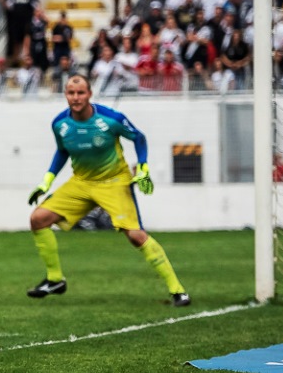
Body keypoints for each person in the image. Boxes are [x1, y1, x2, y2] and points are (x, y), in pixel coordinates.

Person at [26, 75, 191, 307]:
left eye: (80, 92)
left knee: (136, 235)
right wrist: (46, 181)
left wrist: (142, 168)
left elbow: (139, 137)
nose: (76, 98)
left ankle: (178, 291)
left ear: (90, 94)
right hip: (81, 182)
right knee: (38, 219)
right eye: (71, 93)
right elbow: (62, 151)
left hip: (115, 181)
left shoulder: (111, 118)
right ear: (65, 95)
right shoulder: (59, 124)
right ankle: (55, 280)